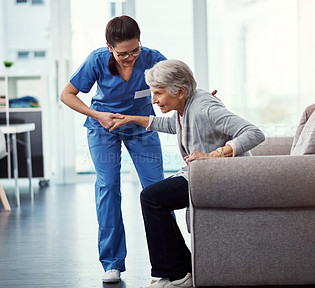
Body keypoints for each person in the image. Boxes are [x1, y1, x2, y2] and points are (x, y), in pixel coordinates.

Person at [109, 59, 265, 288]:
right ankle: (180, 271)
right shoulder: (186, 106)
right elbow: (172, 125)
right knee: (154, 197)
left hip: (223, 176)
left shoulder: (204, 108)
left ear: (180, 91)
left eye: (158, 93)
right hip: (203, 173)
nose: (153, 99)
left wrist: (214, 155)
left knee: (152, 198)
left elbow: (254, 133)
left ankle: (178, 273)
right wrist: (133, 119)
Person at [60, 15, 166, 283]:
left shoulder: (153, 58)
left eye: (135, 50)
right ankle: (112, 261)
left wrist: (200, 98)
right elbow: (67, 95)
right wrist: (98, 115)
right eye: (122, 54)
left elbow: (181, 85)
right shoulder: (96, 59)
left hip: (141, 125)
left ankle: (168, 260)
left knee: (157, 188)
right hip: (103, 127)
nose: (130, 58)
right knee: (108, 188)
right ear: (109, 47)